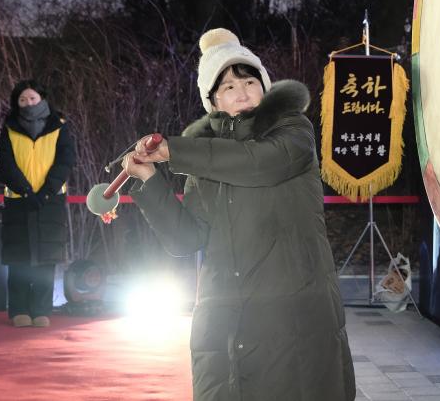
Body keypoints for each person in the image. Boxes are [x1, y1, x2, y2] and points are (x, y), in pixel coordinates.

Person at [123, 28, 356, 401]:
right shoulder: (204, 157)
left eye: (249, 80)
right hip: (226, 326)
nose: (242, 91)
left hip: (291, 319)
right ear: (213, 101)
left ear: (264, 88)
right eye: (228, 86)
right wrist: (150, 180)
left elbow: (258, 164)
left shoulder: (293, 132)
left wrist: (176, 152)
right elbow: (187, 240)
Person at [0, 79, 76, 328]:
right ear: (16, 103)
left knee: (46, 257)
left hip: (49, 201)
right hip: (19, 201)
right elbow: (5, 163)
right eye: (22, 99)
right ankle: (18, 309)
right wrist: (26, 191)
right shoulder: (9, 128)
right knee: (18, 257)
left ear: (42, 99)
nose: (28, 103)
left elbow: (65, 161)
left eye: (32, 98)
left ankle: (42, 309)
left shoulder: (59, 127)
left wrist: (45, 192)